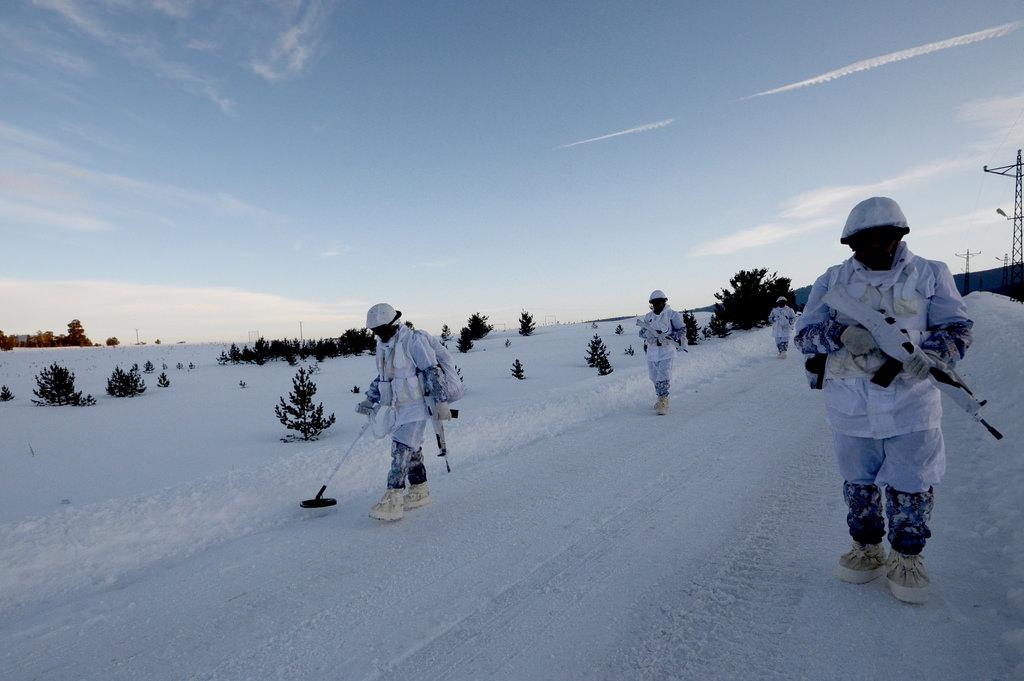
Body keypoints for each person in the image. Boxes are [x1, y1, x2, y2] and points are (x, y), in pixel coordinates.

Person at [794, 197, 972, 604]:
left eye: (880, 240)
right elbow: (805, 336)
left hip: (912, 403)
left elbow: (959, 327)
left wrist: (933, 356)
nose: (870, 250)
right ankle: (867, 549)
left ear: (898, 237)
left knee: (912, 483)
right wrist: (839, 336)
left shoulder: (929, 274)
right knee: (858, 483)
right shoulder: (834, 281)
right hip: (850, 405)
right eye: (860, 243)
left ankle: (907, 557)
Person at [356, 303, 453, 521]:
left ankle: (393, 498)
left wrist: (441, 402)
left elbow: (431, 370)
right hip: (397, 408)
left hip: (417, 407)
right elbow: (384, 377)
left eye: (381, 329)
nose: (378, 334)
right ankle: (419, 490)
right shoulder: (383, 346)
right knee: (412, 450)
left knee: (401, 449)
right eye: (375, 331)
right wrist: (370, 398)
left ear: (393, 323)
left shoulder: (413, 340)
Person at [638, 290, 684, 415]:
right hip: (652, 351)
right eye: (654, 303)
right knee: (654, 376)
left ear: (664, 302)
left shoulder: (672, 315)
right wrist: (648, 334)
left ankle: (663, 400)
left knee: (663, 375)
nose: (657, 305)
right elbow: (641, 333)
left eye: (659, 302)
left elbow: (681, 330)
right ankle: (660, 397)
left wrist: (671, 336)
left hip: (666, 350)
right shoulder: (648, 317)